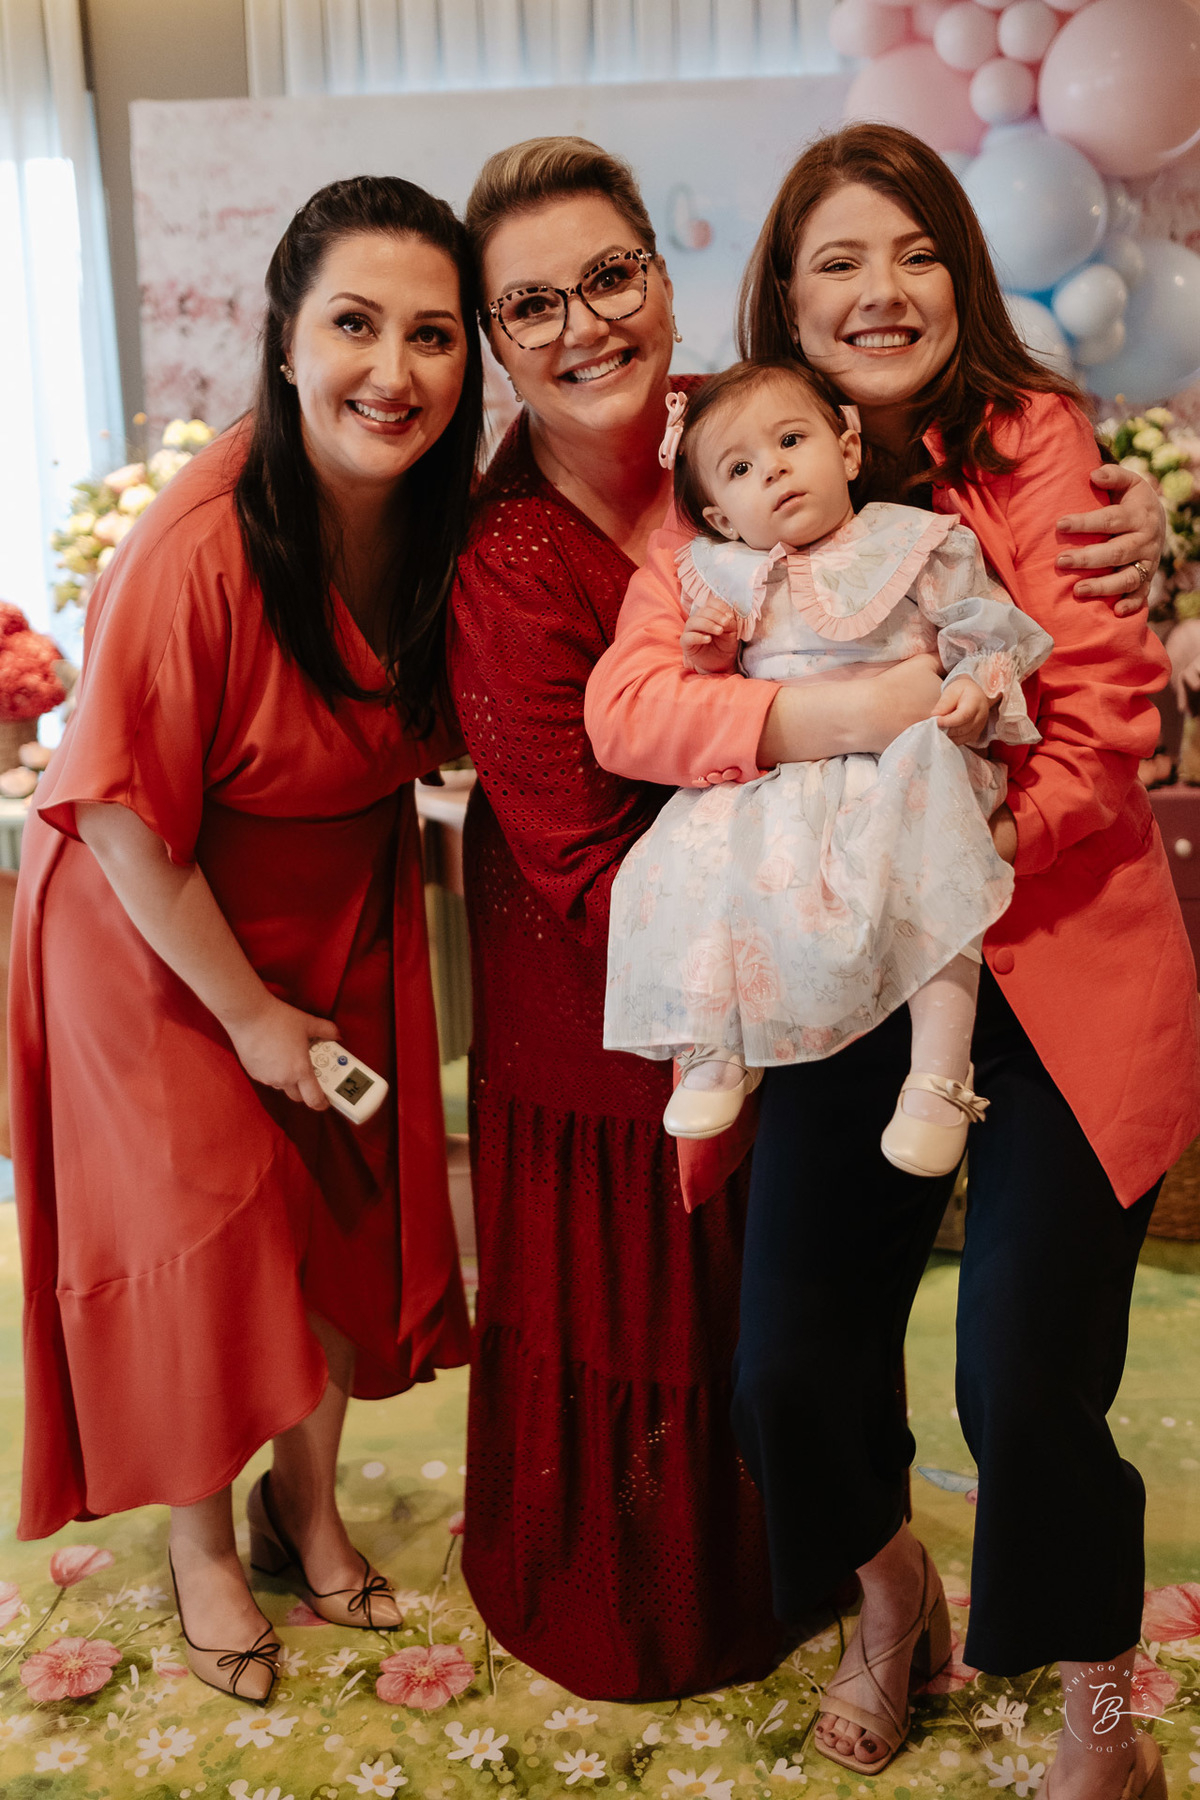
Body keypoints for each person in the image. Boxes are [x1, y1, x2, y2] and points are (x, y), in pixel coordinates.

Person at [449, 133, 1164, 1705]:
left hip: (1049, 951)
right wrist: (840, 725)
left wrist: (965, 845)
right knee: (783, 1365)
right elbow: (637, 698)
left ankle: (1104, 1702)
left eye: (915, 253)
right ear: (784, 294)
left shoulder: (1036, 440)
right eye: (838, 260)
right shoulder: (729, 457)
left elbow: (1106, 714)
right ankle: (889, 1593)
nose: (880, 290)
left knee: (1022, 1373)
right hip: (850, 963)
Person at [11, 176, 481, 1701]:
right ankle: (203, 1545)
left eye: (432, 335)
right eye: (354, 325)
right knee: (208, 1231)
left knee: (339, 1221)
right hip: (150, 919)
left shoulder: (443, 521)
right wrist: (255, 1020)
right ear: (285, 342)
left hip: (338, 888)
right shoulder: (198, 543)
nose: (392, 371)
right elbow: (122, 816)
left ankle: (307, 1508)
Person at [604, 358, 1052, 1179]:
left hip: (900, 760)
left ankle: (940, 1073)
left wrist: (974, 689)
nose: (773, 469)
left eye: (790, 441)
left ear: (846, 450)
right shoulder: (720, 574)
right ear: (721, 516)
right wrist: (710, 653)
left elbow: (985, 633)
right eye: (741, 468)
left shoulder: (915, 542)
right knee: (697, 846)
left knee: (935, 859)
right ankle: (717, 1040)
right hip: (789, 779)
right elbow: (708, 692)